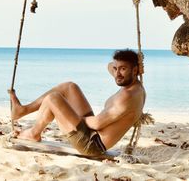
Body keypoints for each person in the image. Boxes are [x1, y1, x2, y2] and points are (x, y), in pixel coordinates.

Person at [9, 49, 146, 156]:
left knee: (53, 98)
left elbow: (98, 123)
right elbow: (110, 66)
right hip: (91, 131)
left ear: (134, 70)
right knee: (69, 87)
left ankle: (33, 133)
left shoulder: (127, 96)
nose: (117, 74)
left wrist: (70, 115)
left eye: (123, 69)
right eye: (116, 69)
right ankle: (24, 110)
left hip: (91, 145)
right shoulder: (132, 84)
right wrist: (134, 64)